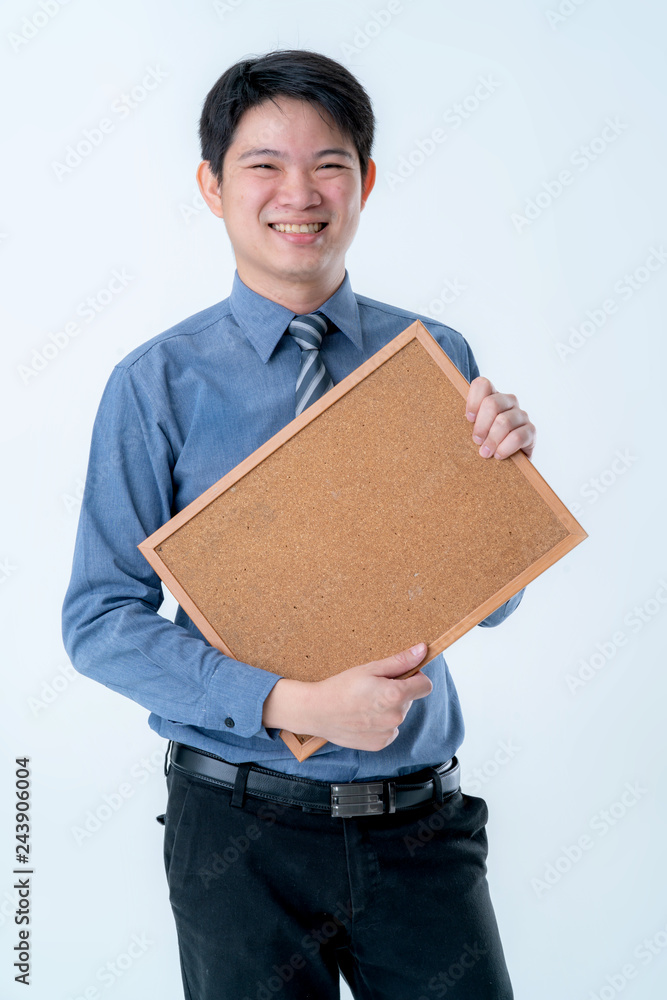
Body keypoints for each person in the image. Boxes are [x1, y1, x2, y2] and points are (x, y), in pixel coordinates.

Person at [62, 48, 535, 1000]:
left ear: (363, 182)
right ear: (211, 185)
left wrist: (507, 497)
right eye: (263, 164)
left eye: (328, 163)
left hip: (421, 827)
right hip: (239, 839)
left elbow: (490, 605)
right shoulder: (156, 383)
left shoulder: (429, 357)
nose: (299, 192)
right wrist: (291, 703)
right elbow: (98, 620)